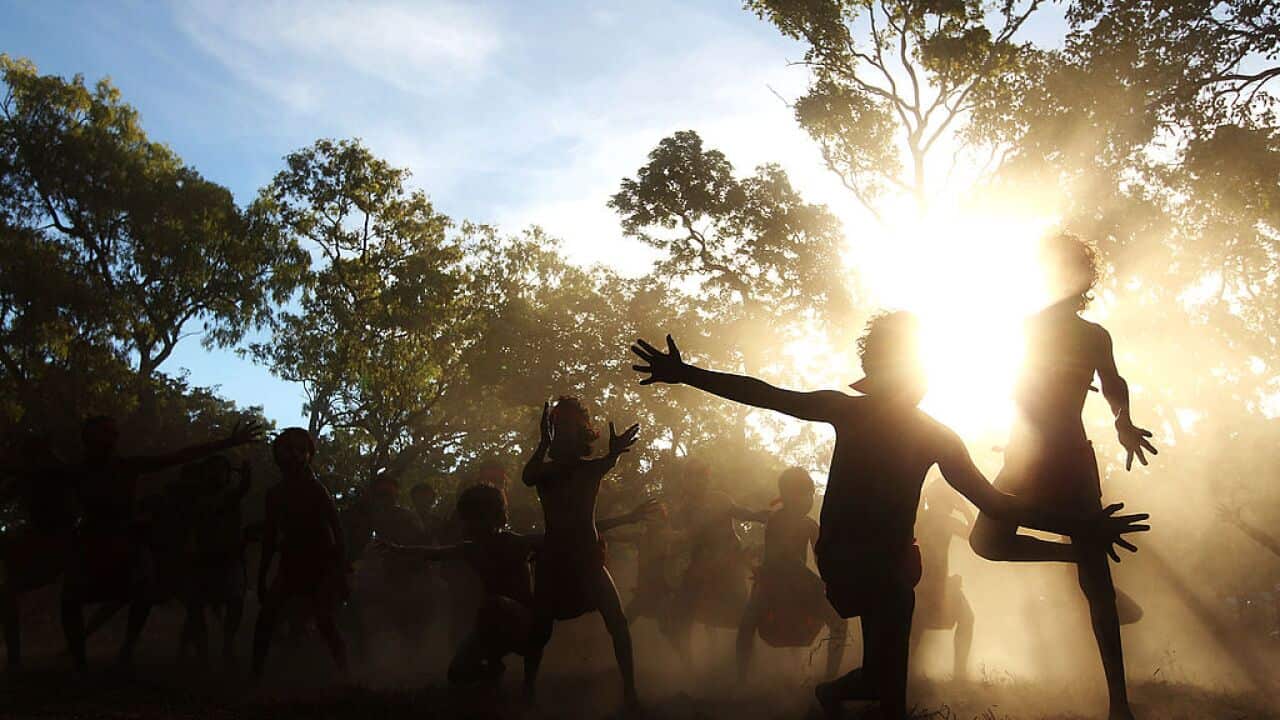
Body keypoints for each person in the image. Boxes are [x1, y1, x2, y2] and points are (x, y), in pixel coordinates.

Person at [631, 314, 1149, 720]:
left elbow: (995, 505)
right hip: (863, 567)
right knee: (892, 687)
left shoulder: (915, 430)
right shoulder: (873, 418)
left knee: (880, 680)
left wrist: (1082, 528)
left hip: (876, 566)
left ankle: (835, 691)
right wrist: (687, 374)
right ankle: (867, 696)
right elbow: (765, 394)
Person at [968, 233, 1159, 720]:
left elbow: (1113, 382)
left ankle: (1120, 704)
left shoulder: (1090, 335)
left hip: (1064, 456)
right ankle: (1080, 547)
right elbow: (1015, 383)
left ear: (1080, 280)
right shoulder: (1028, 327)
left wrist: (1122, 421)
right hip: (1032, 453)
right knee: (987, 540)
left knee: (1092, 582)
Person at [376, 484, 658, 693]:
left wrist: (627, 518)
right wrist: (396, 549)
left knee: (493, 605)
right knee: (457, 675)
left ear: (495, 518)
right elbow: (431, 553)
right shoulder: (470, 549)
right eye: (469, 520)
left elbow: (576, 531)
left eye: (478, 519)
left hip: (524, 626)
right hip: (491, 629)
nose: (472, 526)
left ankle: (506, 680)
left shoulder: (515, 543)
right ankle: (494, 671)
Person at [63, 415, 263, 672]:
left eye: (111, 434)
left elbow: (179, 456)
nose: (110, 440)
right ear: (88, 440)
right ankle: (81, 662)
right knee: (72, 597)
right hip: (94, 545)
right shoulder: (80, 472)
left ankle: (126, 650)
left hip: (126, 546)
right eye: (103, 435)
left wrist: (228, 442)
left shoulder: (126, 468)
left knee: (144, 590)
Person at [520, 397, 641, 707]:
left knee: (617, 623)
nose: (566, 432)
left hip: (588, 560)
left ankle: (630, 693)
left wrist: (614, 452)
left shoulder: (589, 470)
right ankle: (527, 691)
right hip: (555, 562)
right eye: (560, 427)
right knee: (540, 631)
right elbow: (527, 477)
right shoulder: (545, 473)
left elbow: (609, 462)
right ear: (553, 432)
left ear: (583, 434)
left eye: (573, 427)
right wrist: (543, 443)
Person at [251, 427, 349, 683]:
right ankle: (255, 676)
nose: (293, 455)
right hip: (291, 564)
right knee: (266, 620)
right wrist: (262, 576)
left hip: (321, 564)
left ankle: (346, 674)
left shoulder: (317, 490)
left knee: (324, 621)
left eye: (299, 450)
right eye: (287, 449)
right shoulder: (275, 494)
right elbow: (271, 537)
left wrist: (340, 570)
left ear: (308, 455)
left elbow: (337, 531)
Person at [736, 467, 847, 681]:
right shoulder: (774, 519)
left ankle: (830, 681)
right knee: (746, 625)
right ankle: (741, 679)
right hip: (772, 585)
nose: (809, 499)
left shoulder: (809, 526)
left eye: (810, 493)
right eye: (804, 493)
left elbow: (821, 558)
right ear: (787, 495)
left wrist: (831, 579)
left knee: (840, 624)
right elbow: (778, 558)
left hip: (802, 586)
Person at [0, 433, 77, 670]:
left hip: (62, 543)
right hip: (40, 542)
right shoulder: (31, 477)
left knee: (9, 591)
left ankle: (17, 657)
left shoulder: (55, 474)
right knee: (7, 591)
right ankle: (15, 657)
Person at [177, 456, 252, 668]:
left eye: (222, 470)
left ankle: (225, 646)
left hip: (227, 559)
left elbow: (244, 487)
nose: (218, 475)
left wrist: (245, 473)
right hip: (205, 559)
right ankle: (202, 653)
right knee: (196, 608)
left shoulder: (230, 496)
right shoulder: (198, 499)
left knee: (233, 602)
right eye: (214, 470)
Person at [910, 478, 974, 681]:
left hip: (921, 583)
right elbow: (976, 536)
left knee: (915, 630)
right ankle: (959, 674)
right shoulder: (944, 521)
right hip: (932, 586)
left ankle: (905, 675)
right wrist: (964, 508)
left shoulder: (920, 518)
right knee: (966, 619)